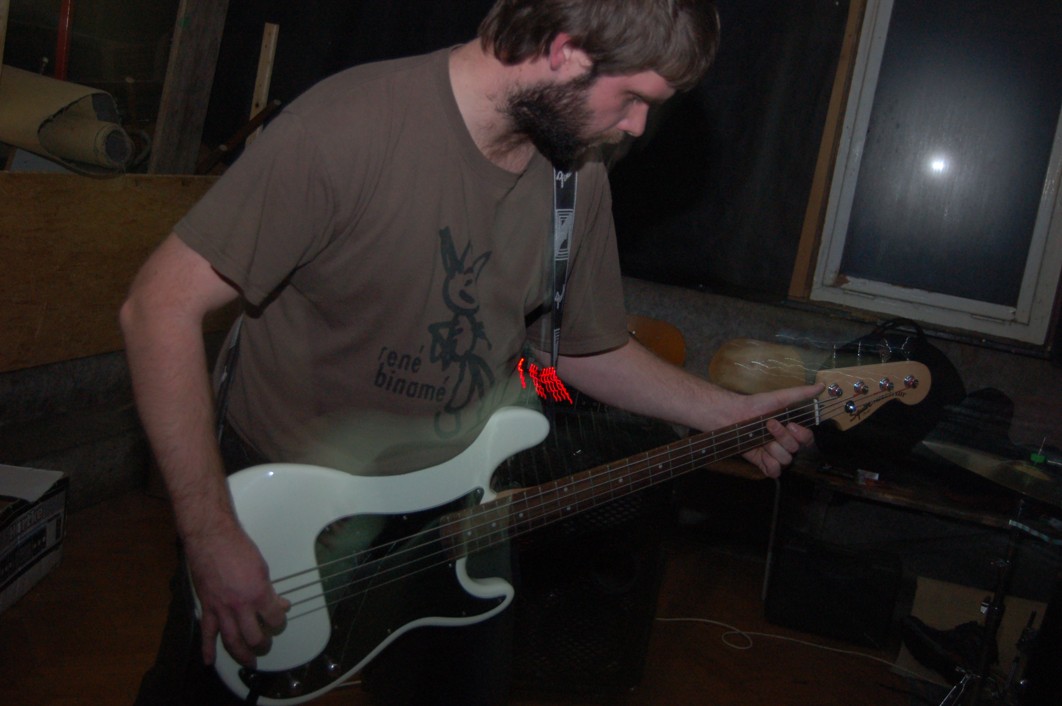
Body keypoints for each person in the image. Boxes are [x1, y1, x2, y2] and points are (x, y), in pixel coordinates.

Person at [121, 1, 820, 703]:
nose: (637, 125)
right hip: (286, 499)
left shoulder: (578, 178)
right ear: (565, 51)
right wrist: (210, 533)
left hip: (456, 506)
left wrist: (726, 413)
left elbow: (582, 348)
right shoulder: (346, 127)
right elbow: (157, 308)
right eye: (633, 97)